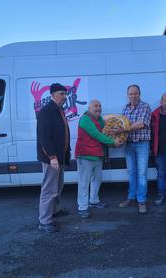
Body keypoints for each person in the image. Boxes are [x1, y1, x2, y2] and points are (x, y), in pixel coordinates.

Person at [75, 100, 122, 218]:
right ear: (89, 108)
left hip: (97, 154)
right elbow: (97, 135)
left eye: (100, 106)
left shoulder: (99, 119)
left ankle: (94, 200)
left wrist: (118, 134)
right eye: (95, 106)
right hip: (85, 155)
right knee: (84, 183)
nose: (98, 108)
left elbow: (106, 131)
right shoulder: (86, 119)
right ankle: (82, 207)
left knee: (97, 179)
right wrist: (113, 142)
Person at [36, 83, 71, 233]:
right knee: (49, 189)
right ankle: (44, 222)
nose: (64, 96)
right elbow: (44, 137)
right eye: (61, 93)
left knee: (58, 186)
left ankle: (54, 211)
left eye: (65, 94)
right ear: (52, 95)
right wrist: (52, 157)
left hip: (60, 157)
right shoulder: (46, 111)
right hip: (53, 159)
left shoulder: (59, 109)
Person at [117, 84, 152, 214]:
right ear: (128, 95)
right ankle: (131, 198)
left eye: (135, 93)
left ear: (139, 94)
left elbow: (142, 124)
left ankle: (141, 201)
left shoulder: (145, 106)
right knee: (131, 172)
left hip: (142, 144)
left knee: (142, 173)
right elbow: (121, 125)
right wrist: (118, 137)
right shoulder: (125, 109)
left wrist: (124, 129)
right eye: (131, 94)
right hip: (129, 144)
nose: (133, 96)